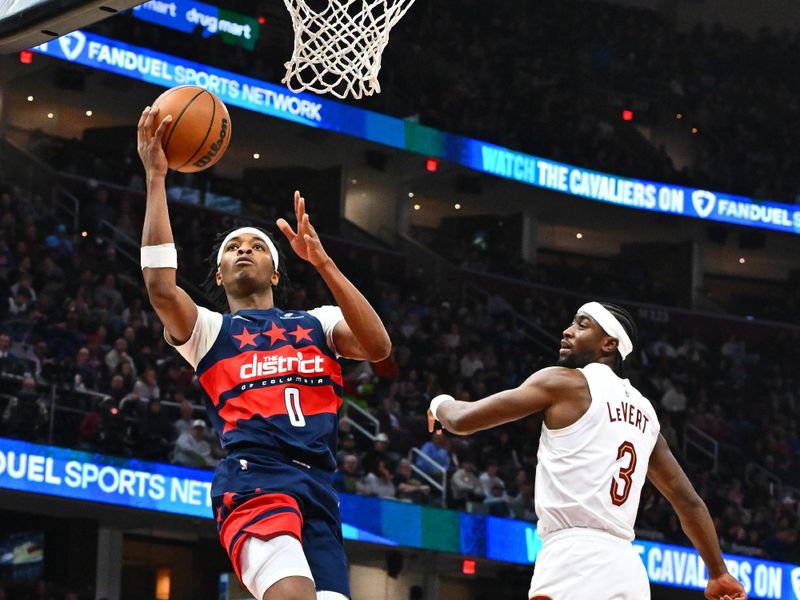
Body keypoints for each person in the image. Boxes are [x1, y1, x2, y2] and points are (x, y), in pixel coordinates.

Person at [137, 104, 391, 600]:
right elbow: (161, 288)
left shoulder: (317, 322)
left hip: (319, 487)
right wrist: (155, 178)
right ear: (218, 275)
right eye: (233, 247)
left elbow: (378, 348)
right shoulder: (210, 331)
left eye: (257, 245)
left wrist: (323, 261)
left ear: (276, 272)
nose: (245, 249)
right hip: (254, 479)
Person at [427, 302, 746, 600]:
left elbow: (462, 420)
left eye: (582, 325)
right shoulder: (647, 414)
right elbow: (688, 501)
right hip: (628, 572)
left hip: (573, 559)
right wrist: (718, 572)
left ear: (609, 344)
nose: (567, 331)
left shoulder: (565, 382)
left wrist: (439, 404)